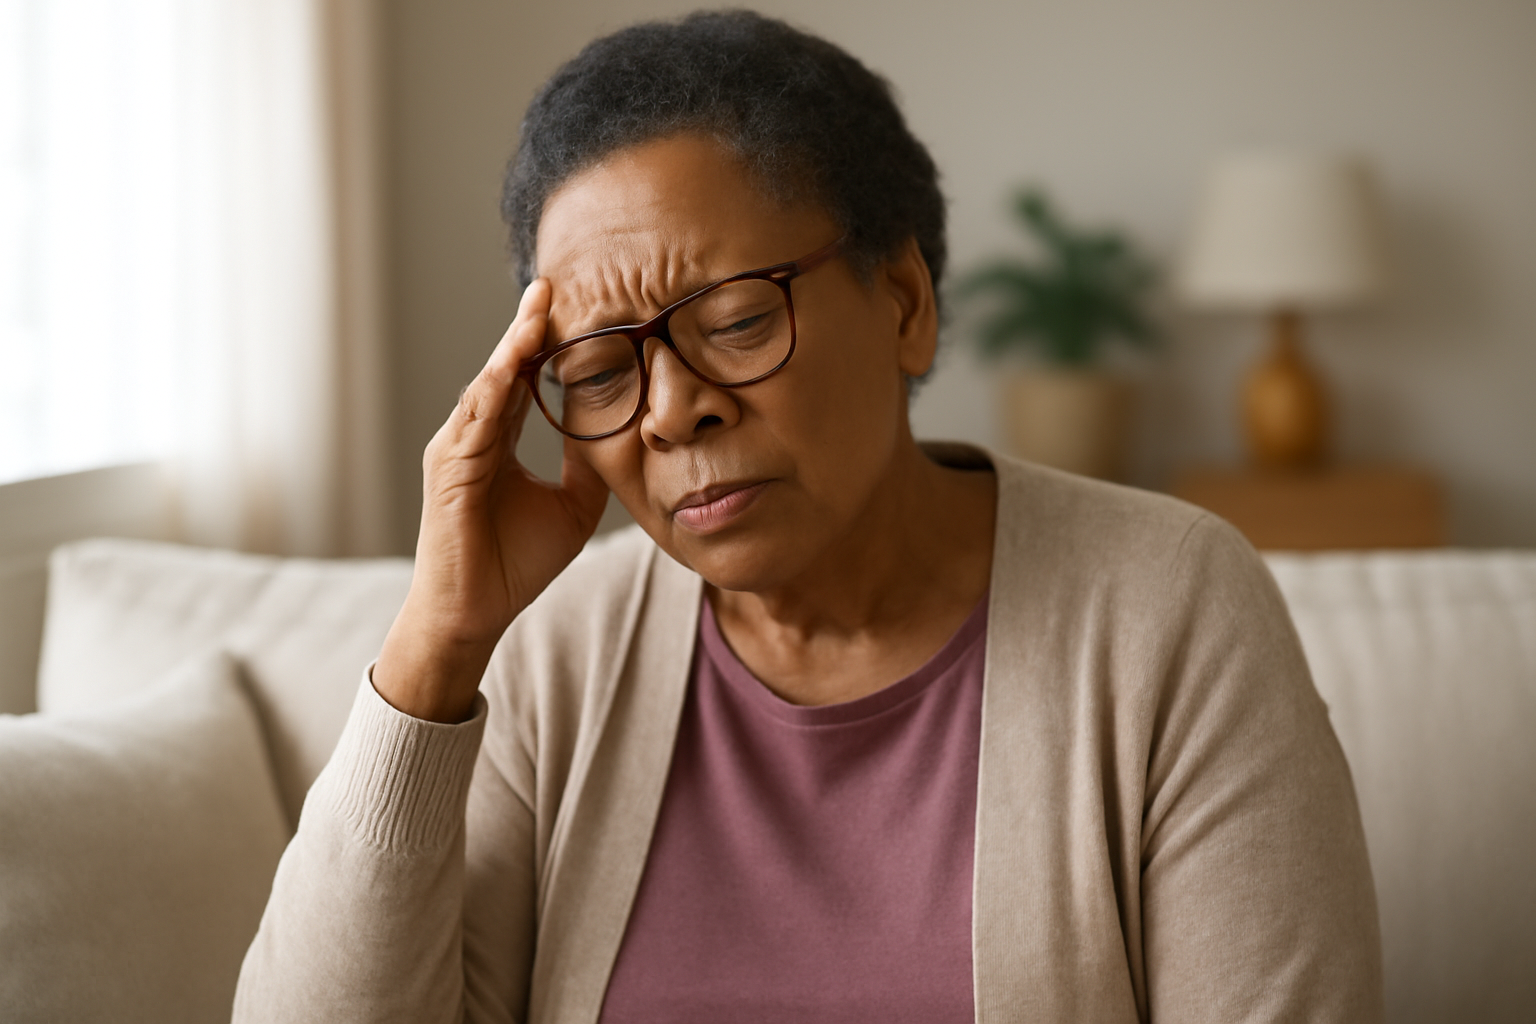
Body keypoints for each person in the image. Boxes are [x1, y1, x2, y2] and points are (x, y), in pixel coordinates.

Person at [233, 11, 1382, 1023]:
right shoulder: (551, 656)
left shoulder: (1168, 608)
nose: (674, 410)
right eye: (598, 369)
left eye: (734, 319)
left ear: (904, 305)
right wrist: (434, 652)